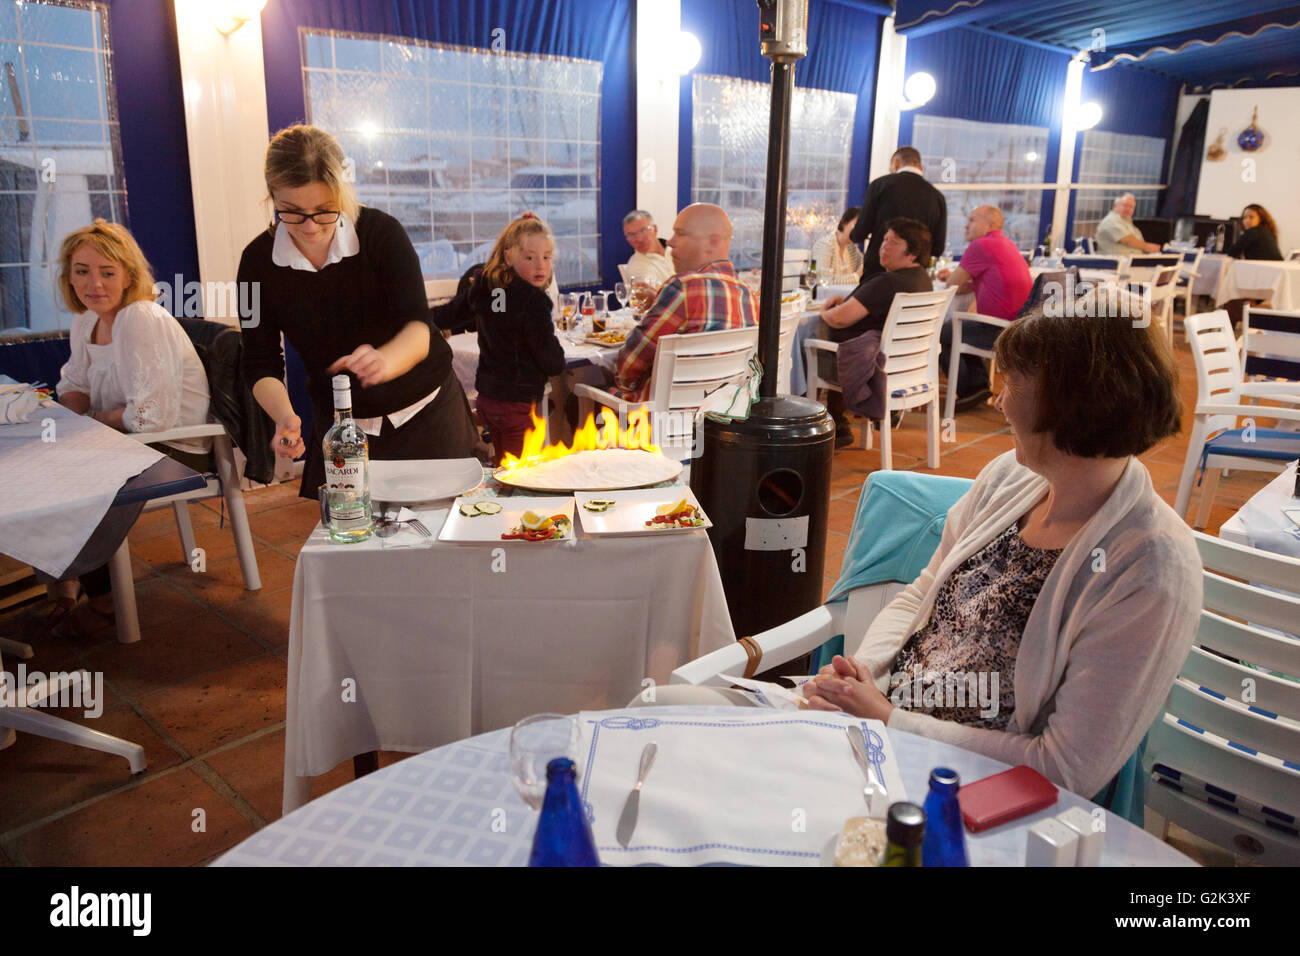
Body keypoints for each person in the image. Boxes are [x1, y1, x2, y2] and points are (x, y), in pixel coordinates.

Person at [643, 291, 1202, 803]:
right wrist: (856, 676)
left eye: (1016, 385)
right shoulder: (1011, 477)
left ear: (1077, 402)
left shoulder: (1150, 567)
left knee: (717, 795)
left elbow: (1065, 768)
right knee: (655, 714)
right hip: (873, 720)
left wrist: (886, 719)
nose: (1000, 401)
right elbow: (920, 593)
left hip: (950, 785)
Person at [238, 125, 478, 498]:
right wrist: (284, 416)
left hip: (427, 414)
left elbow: (418, 328)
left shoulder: (382, 235)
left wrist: (385, 360)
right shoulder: (255, 264)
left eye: (323, 210)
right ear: (272, 197)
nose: (311, 226)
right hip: (342, 430)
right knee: (351, 542)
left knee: (440, 541)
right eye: (292, 212)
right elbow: (259, 360)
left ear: (341, 192)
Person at [53, 219, 211, 637]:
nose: (95, 283)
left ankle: (103, 599)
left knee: (72, 478)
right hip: (125, 438)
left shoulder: (140, 317)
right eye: (82, 271)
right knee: (47, 463)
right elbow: (75, 385)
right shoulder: (86, 321)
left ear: (128, 276)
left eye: (108, 272)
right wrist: (74, 415)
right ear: (69, 276)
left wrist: (90, 423)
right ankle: (68, 579)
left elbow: (150, 417)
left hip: (176, 445)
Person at [611, 203, 756, 402]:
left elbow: (628, 367)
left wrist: (620, 383)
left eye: (680, 233)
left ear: (711, 242)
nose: (670, 242)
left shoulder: (684, 288)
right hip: (722, 418)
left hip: (660, 421)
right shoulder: (748, 294)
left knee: (583, 394)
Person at [816, 218, 933, 446]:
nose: (883, 246)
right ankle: (836, 423)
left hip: (874, 370)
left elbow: (839, 319)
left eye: (894, 243)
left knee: (810, 342)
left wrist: (823, 311)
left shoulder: (886, 282)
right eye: (884, 239)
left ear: (912, 254)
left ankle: (825, 424)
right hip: (903, 367)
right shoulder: (922, 280)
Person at [469, 214, 566, 465]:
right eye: (530, 257)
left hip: (489, 399)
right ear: (509, 257)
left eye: (546, 257)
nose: (541, 266)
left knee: (504, 464)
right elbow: (552, 362)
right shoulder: (532, 301)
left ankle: (499, 501)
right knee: (524, 473)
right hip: (516, 404)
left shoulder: (493, 290)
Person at [936, 205, 1033, 410]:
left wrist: (951, 278)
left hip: (1002, 330)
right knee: (960, 329)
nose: (965, 225)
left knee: (942, 333)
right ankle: (977, 385)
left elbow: (951, 286)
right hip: (1020, 325)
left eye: (972, 220)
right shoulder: (1006, 243)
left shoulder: (980, 245)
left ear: (989, 225)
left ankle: (970, 388)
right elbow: (966, 285)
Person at [849, 146, 946, 279]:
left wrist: (852, 235)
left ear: (895, 163)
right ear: (920, 168)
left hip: (878, 274)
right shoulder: (937, 197)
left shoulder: (879, 185)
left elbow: (860, 232)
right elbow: (938, 248)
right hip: (914, 278)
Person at [1223, 204, 1284, 329]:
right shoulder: (1268, 233)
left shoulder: (1253, 232)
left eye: (1251, 217)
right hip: (1273, 281)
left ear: (1260, 219)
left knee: (1230, 288)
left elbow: (1232, 252)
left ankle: (1226, 325)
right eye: (1245, 217)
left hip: (1262, 281)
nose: (1247, 220)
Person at [809, 207, 864, 285]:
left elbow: (865, 268)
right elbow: (820, 280)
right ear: (844, 222)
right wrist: (856, 277)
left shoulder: (852, 249)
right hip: (823, 296)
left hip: (843, 296)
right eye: (857, 225)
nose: (860, 230)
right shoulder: (825, 245)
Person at [1094, 194, 1161, 257]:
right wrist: (1148, 247)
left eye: (1131, 207)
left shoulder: (1127, 222)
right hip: (1116, 263)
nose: (1128, 209)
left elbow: (1139, 241)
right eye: (1125, 205)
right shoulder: (1111, 220)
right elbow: (1127, 240)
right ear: (1115, 205)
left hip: (1133, 261)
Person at [622, 210, 674, 285]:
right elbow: (649, 293)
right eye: (631, 235)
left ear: (655, 229)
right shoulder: (637, 265)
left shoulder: (676, 250)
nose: (639, 239)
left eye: (642, 231)